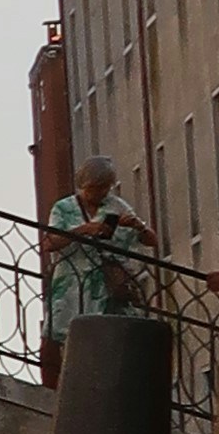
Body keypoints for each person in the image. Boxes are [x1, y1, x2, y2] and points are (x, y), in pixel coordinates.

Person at [42, 159, 150, 381]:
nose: (100, 193)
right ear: (83, 185)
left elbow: (150, 240)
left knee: (106, 339)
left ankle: (100, 381)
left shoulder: (116, 206)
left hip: (106, 284)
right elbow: (50, 242)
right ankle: (61, 385)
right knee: (62, 336)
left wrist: (136, 225)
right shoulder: (64, 208)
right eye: (95, 188)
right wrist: (84, 230)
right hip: (72, 283)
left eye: (104, 188)